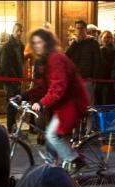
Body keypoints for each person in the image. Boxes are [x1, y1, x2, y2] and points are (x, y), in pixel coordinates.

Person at [24, 28, 89, 170]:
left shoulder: (56, 58)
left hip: (71, 102)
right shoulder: (44, 60)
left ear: (47, 43)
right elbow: (41, 86)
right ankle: (51, 167)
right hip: (61, 104)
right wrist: (25, 95)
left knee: (52, 135)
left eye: (40, 42)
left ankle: (75, 159)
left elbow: (58, 88)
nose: (37, 46)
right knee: (49, 135)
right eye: (34, 43)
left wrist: (41, 103)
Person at [66, 20, 100, 104]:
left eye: (82, 28)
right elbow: (66, 56)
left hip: (88, 78)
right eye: (77, 28)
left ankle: (89, 118)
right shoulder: (75, 43)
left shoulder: (93, 43)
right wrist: (75, 43)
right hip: (75, 78)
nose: (80, 30)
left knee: (88, 104)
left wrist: (94, 78)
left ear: (85, 29)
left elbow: (97, 61)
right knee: (75, 103)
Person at [0, 23, 24, 133]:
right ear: (13, 31)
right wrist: (12, 79)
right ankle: (11, 128)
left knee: (16, 103)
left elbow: (20, 62)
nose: (19, 33)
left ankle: (14, 126)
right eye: (17, 30)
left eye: (21, 31)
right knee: (11, 104)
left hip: (18, 79)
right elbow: (4, 65)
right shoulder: (7, 46)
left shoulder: (21, 45)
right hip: (10, 80)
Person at [96, 30, 115, 105]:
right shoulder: (99, 50)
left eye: (109, 37)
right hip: (101, 78)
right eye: (105, 37)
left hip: (111, 79)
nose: (107, 39)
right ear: (101, 38)